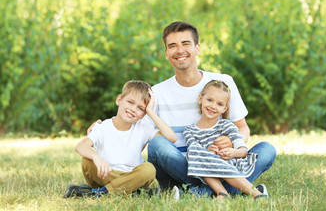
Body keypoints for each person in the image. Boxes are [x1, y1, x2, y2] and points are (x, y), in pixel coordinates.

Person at [87, 21, 276, 196]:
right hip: (180, 168)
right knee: (157, 144)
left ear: (197, 48)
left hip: (222, 163)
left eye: (186, 43)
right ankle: (232, 188)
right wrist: (103, 128)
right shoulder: (157, 92)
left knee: (267, 149)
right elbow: (136, 132)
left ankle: (201, 191)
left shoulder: (223, 83)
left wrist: (233, 142)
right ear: (166, 53)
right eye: (172, 46)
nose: (180, 50)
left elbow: (242, 127)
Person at [64, 80, 177, 198]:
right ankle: (133, 192)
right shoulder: (102, 127)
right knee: (87, 160)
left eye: (140, 108)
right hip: (106, 175)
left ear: (144, 114)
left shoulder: (143, 128)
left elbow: (171, 138)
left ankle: (99, 193)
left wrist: (150, 112)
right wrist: (96, 157)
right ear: (119, 100)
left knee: (149, 169)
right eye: (130, 102)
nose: (133, 109)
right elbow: (80, 146)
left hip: (133, 176)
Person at [183, 80, 268, 199]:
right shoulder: (190, 130)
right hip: (206, 169)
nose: (213, 106)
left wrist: (233, 152)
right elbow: (194, 154)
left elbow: (243, 151)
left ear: (224, 109)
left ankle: (255, 194)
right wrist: (208, 151)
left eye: (219, 104)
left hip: (230, 165)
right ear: (200, 98)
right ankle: (223, 193)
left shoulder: (227, 126)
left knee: (267, 149)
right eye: (209, 100)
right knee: (194, 152)